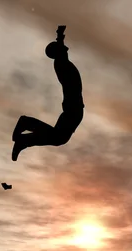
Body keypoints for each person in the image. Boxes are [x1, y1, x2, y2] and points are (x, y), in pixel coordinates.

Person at [11, 25, 84, 161]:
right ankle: (26, 126)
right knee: (58, 138)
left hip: (73, 108)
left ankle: (25, 136)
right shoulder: (61, 63)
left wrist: (60, 36)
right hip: (73, 109)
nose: (66, 49)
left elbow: (62, 50)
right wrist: (60, 35)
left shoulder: (62, 62)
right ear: (57, 52)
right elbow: (62, 52)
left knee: (57, 137)